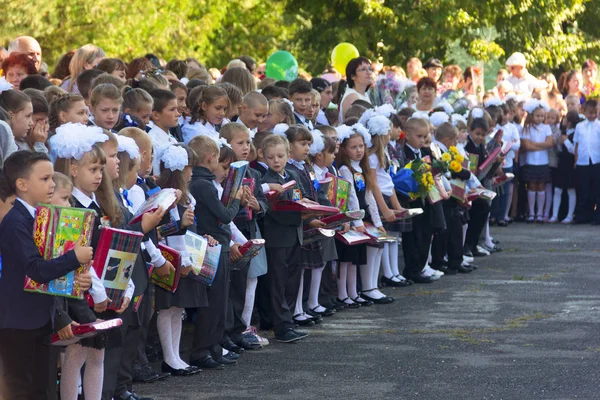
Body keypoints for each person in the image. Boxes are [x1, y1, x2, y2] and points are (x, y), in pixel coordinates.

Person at [0, 150, 93, 399]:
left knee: (41, 389)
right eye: (44, 179)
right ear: (21, 184)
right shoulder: (15, 221)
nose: (52, 184)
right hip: (17, 321)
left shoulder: (42, 217)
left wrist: (76, 280)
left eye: (52, 178)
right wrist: (75, 258)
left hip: (40, 317)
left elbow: (50, 271)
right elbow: (37, 270)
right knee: (20, 390)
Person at [187, 135, 248, 368]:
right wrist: (236, 201)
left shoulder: (203, 182)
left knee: (219, 304)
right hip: (212, 247)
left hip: (217, 245)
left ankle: (213, 347)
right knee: (212, 305)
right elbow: (224, 216)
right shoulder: (202, 184)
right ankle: (202, 351)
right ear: (211, 158)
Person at [219, 122, 269, 349]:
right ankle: (230, 331)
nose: (246, 147)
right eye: (240, 143)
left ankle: (243, 328)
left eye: (248, 142)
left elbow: (264, 204)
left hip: (248, 230)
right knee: (232, 286)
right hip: (229, 232)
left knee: (249, 281)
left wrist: (256, 204)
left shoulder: (254, 173)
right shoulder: (222, 174)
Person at [257, 134, 309, 342]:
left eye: (280, 156)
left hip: (295, 235)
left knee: (292, 280)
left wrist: (308, 211)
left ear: (288, 155)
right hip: (277, 238)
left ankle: (288, 320)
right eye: (271, 157)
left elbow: (302, 198)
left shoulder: (292, 176)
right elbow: (272, 211)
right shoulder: (266, 181)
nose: (276, 161)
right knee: (278, 282)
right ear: (264, 158)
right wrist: (300, 214)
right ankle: (281, 325)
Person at [520, 99, 553, 223]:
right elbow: (527, 146)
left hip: (543, 162)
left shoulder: (546, 127)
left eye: (542, 116)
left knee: (541, 186)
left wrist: (534, 144)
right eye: (537, 116)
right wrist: (542, 144)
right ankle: (531, 213)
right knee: (532, 186)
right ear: (532, 116)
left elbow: (550, 143)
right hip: (531, 161)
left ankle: (539, 213)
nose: (540, 118)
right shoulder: (527, 129)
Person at [550, 111, 581, 223]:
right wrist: (559, 142)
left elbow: (574, 150)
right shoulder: (563, 132)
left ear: (570, 121)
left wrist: (566, 141)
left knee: (570, 189)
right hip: (562, 163)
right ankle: (554, 215)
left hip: (570, 163)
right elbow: (559, 148)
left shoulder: (575, 133)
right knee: (558, 189)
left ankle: (569, 215)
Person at [573, 99, 600, 224]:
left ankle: (597, 217)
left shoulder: (599, 126)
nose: (592, 115)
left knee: (596, 189)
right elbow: (577, 144)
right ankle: (583, 215)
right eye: (590, 113)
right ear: (584, 112)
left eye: (595, 113)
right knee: (583, 189)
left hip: (596, 161)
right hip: (583, 161)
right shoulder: (579, 126)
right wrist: (576, 160)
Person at [148, 89, 180, 174]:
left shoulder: (172, 139)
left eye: (177, 109)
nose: (178, 114)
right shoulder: (153, 141)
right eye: (172, 109)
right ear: (156, 115)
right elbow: (156, 173)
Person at [339, 57, 373, 121]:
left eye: (370, 69)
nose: (369, 72)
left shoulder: (365, 94)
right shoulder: (352, 97)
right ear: (353, 76)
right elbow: (353, 124)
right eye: (363, 69)